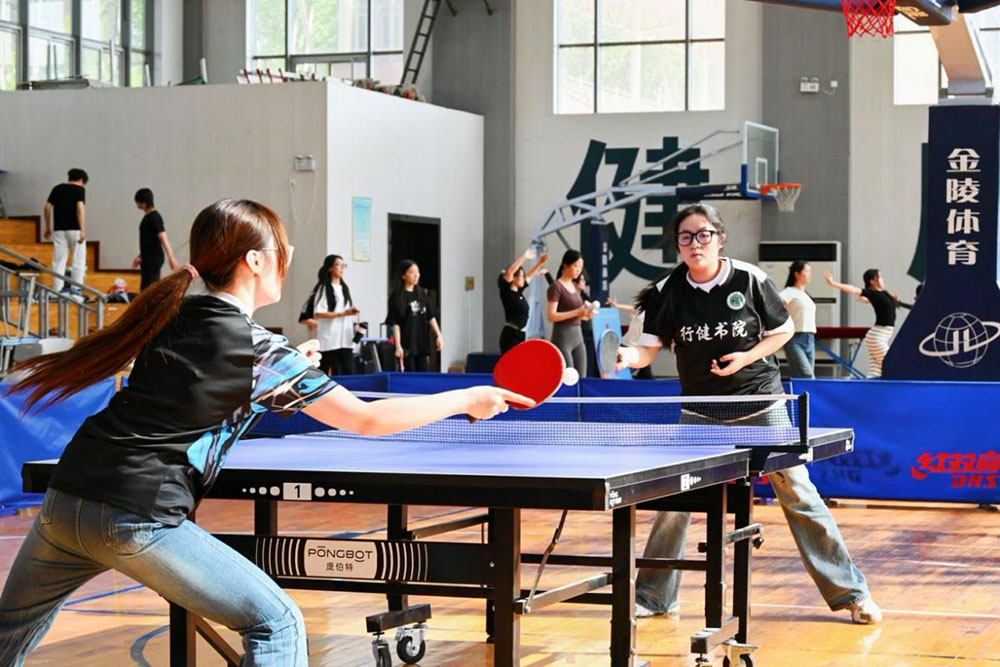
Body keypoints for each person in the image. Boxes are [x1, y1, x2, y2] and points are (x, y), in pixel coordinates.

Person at [0, 199, 528, 667]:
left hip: (67, 498)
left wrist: (291, 362)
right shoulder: (257, 349)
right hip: (134, 514)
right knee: (277, 623)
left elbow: (204, 382)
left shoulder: (175, 314)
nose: (288, 256)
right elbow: (367, 420)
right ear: (254, 260)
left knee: (7, 636)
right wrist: (466, 399)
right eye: (282, 247)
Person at [618, 204, 880, 625]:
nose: (695, 244)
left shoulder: (749, 278)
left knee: (799, 494)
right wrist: (626, 356)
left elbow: (783, 330)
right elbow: (646, 348)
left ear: (720, 239)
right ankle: (654, 596)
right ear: (677, 245)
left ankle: (851, 592)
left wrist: (746, 358)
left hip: (761, 405)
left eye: (703, 235)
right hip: (701, 412)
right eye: (685, 237)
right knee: (674, 503)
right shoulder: (667, 291)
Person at [823, 268, 909, 378]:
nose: (882, 279)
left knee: (875, 373)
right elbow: (853, 289)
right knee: (892, 363)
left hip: (880, 337)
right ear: (872, 281)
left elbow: (890, 303)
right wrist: (833, 283)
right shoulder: (872, 293)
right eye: (880, 277)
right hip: (877, 337)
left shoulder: (883, 294)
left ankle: (867, 388)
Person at [386, 259, 443, 372]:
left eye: (418, 272)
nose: (416, 275)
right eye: (412, 272)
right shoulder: (397, 297)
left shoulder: (422, 294)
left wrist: (439, 335)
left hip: (421, 344)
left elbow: (430, 317)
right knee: (409, 374)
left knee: (423, 374)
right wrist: (398, 346)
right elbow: (396, 324)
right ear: (403, 275)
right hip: (407, 345)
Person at [546, 250, 595, 375]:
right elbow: (551, 316)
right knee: (568, 376)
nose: (578, 270)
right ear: (565, 265)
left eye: (580, 267)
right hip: (562, 337)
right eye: (575, 266)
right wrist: (577, 312)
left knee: (582, 376)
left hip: (578, 336)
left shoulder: (574, 286)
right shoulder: (556, 287)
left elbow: (577, 315)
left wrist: (586, 315)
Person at [310, 254, 360, 376]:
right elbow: (318, 313)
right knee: (325, 372)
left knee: (348, 372)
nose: (342, 268)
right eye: (338, 265)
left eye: (343, 265)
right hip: (330, 339)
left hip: (346, 338)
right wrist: (341, 314)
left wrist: (351, 312)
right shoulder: (324, 289)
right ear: (330, 268)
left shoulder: (344, 289)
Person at [43, 168, 88, 296]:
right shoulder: (80, 189)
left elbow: (47, 208)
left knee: (58, 261)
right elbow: (80, 209)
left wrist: (47, 227)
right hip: (75, 229)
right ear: (81, 180)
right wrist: (82, 230)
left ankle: (57, 290)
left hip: (59, 230)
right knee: (78, 260)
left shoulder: (57, 189)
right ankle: (76, 291)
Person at [498, 246, 548, 353]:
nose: (523, 278)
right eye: (521, 276)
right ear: (514, 278)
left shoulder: (519, 292)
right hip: (511, 334)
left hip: (521, 334)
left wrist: (540, 262)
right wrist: (524, 257)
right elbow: (510, 272)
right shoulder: (507, 292)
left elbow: (529, 276)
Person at [131, 188, 181, 290]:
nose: (136, 204)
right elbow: (148, 241)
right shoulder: (148, 217)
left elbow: (163, 238)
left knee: (149, 288)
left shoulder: (154, 217)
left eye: (138, 201)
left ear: (144, 203)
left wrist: (171, 258)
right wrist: (140, 256)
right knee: (146, 287)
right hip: (148, 258)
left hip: (153, 259)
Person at [779, 260, 817, 378]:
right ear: (797, 274)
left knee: (806, 377)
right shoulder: (788, 292)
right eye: (807, 271)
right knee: (807, 375)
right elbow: (773, 304)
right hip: (794, 338)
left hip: (810, 338)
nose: (810, 274)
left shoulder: (806, 295)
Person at [607, 296, 653, 379]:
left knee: (645, 371)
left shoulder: (655, 315)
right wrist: (616, 305)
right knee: (621, 366)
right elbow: (630, 308)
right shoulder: (641, 310)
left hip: (639, 347)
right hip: (628, 344)